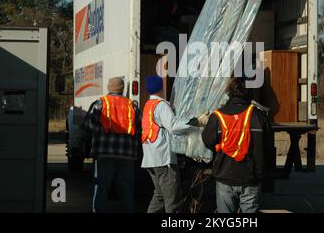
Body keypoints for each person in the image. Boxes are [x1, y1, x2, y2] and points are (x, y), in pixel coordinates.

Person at [202, 77, 270, 213]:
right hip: (251, 177)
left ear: (229, 92)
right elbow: (267, 147)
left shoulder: (217, 116)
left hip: (225, 175)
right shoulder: (259, 116)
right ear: (250, 93)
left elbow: (208, 141)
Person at [141, 75, 205, 213]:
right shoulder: (161, 105)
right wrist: (196, 122)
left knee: (159, 196)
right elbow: (174, 127)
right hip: (163, 159)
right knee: (173, 199)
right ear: (161, 88)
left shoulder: (148, 105)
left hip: (150, 158)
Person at [82, 77, 141, 213]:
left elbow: (87, 127)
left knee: (101, 188)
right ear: (122, 89)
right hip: (127, 155)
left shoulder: (100, 104)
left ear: (109, 87)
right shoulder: (132, 106)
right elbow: (139, 131)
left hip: (104, 154)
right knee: (126, 191)